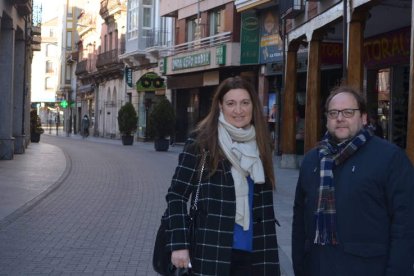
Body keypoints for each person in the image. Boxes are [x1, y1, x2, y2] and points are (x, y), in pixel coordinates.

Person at [292, 86, 414, 276]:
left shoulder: (390, 158)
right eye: (333, 113)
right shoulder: (312, 161)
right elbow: (299, 221)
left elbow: (405, 225)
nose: (340, 118)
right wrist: (300, 266)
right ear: (327, 120)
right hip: (319, 266)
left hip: (368, 268)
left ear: (364, 118)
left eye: (348, 112)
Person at [164, 76, 280, 275]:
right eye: (231, 103)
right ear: (220, 106)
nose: (238, 110)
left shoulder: (261, 143)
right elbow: (177, 195)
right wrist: (179, 244)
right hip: (212, 250)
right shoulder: (201, 143)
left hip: (256, 251)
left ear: (253, 106)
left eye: (245, 103)